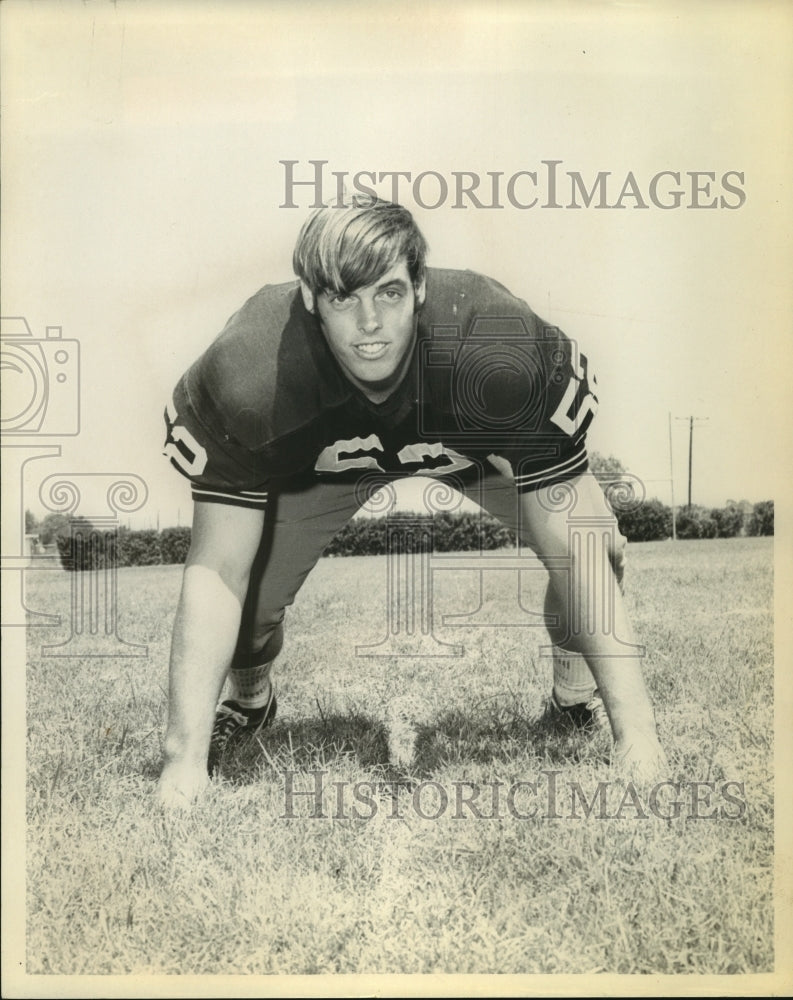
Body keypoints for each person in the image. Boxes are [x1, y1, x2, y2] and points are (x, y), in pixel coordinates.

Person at [157, 197, 666, 807]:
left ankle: (572, 696)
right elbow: (217, 567)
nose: (368, 322)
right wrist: (181, 763)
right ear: (310, 297)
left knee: (593, 547)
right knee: (250, 603)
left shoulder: (490, 345)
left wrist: (640, 742)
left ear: (421, 287)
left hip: (475, 454)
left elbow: (573, 545)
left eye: (389, 292)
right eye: (344, 297)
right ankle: (250, 700)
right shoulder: (253, 370)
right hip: (324, 468)